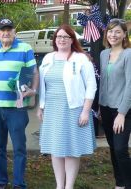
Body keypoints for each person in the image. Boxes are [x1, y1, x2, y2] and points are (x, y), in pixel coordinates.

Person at [37, 24, 97, 189]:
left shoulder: (81, 59)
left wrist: (85, 111)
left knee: (71, 150)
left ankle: (69, 186)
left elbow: (91, 86)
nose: (61, 40)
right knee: (56, 148)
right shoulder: (48, 58)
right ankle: (59, 185)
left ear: (72, 40)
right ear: (55, 40)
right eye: (58, 37)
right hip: (52, 109)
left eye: (65, 37)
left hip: (74, 109)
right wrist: (40, 107)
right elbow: (42, 85)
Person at [0, 18, 39, 189]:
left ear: (14, 31)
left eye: (9, 29)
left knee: (19, 148)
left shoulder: (25, 48)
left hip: (17, 107)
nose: (6, 33)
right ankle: (1, 182)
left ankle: (18, 183)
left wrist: (33, 91)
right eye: (2, 30)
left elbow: (34, 73)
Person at [99, 19, 131, 189]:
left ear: (124, 34)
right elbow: (103, 82)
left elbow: (130, 86)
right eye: (110, 31)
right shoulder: (104, 54)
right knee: (112, 148)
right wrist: (99, 105)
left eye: (118, 31)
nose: (113, 35)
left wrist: (122, 113)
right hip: (105, 108)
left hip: (123, 110)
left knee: (120, 149)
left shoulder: (128, 55)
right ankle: (120, 184)